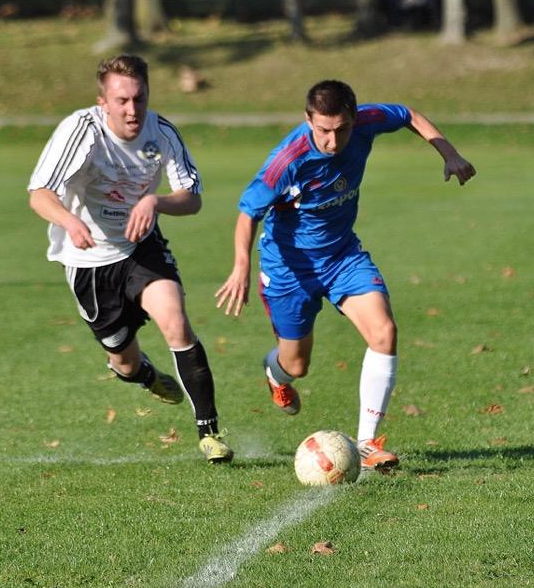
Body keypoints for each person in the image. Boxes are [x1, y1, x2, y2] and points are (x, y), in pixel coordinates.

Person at [215, 80, 475, 470]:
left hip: (342, 257)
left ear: (355, 119)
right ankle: (275, 374)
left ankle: (368, 443)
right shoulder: (288, 160)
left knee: (384, 332)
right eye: (323, 130)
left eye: (342, 130)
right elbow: (248, 213)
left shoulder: (368, 120)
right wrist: (241, 267)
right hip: (290, 269)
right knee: (296, 364)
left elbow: (408, 114)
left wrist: (449, 153)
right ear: (308, 120)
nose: (333, 141)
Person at [27, 54, 232, 463]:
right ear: (103, 101)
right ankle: (145, 376)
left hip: (141, 248)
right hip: (88, 262)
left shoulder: (162, 132)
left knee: (176, 322)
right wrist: (69, 221)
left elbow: (191, 199)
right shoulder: (81, 131)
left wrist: (155, 201)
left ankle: (210, 433)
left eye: (139, 98)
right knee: (122, 359)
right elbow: (40, 194)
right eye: (121, 100)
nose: (132, 109)